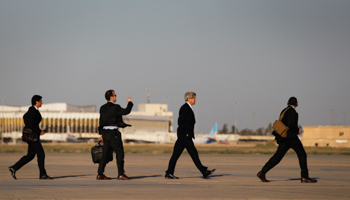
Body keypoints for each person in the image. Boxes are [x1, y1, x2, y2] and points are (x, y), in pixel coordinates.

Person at [257, 97, 317, 183]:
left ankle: (262, 172)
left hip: (282, 137)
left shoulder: (284, 111)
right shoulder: (293, 112)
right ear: (296, 104)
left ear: (288, 103)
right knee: (302, 154)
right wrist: (298, 130)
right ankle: (304, 176)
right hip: (290, 137)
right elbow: (291, 125)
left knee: (277, 157)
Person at [165, 91, 215, 179]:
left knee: (177, 155)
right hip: (184, 137)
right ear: (189, 98)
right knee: (192, 154)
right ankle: (204, 171)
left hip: (184, 137)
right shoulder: (185, 108)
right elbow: (180, 121)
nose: (195, 100)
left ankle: (169, 173)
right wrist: (186, 133)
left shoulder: (188, 108)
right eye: (194, 98)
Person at [9, 95, 53, 180]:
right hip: (32, 138)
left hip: (32, 136)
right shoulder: (33, 111)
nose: (42, 103)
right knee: (41, 154)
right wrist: (39, 131)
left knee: (30, 156)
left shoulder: (32, 110)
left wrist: (38, 130)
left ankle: (14, 168)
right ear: (36, 102)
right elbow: (30, 124)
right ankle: (42, 174)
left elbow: (26, 118)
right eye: (40, 101)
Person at [97, 90, 133, 180]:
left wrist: (101, 134)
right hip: (113, 134)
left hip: (105, 134)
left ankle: (100, 174)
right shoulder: (115, 107)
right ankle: (121, 174)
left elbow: (101, 121)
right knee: (120, 154)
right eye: (115, 95)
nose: (116, 97)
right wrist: (130, 102)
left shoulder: (102, 108)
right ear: (111, 97)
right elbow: (126, 111)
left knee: (105, 155)